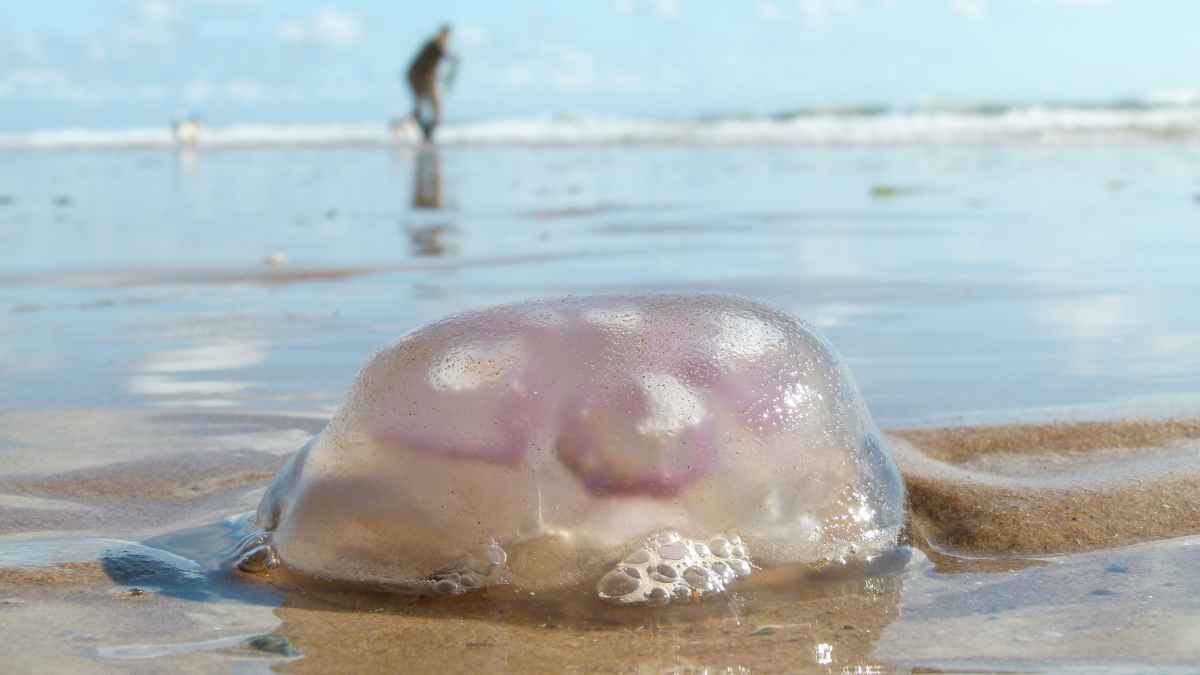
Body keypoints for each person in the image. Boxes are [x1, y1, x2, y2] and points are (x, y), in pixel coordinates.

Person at [406, 25, 458, 142]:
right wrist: (454, 59)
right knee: (432, 105)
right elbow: (441, 51)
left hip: (422, 77)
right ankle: (425, 131)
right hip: (419, 77)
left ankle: (426, 131)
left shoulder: (434, 43)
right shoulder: (436, 43)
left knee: (427, 105)